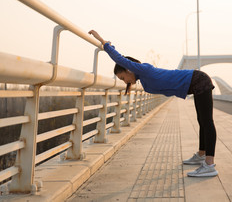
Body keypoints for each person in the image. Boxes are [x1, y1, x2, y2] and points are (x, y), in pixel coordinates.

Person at [88, 30, 218, 177]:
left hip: (198, 80)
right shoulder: (143, 79)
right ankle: (202, 155)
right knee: (202, 121)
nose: (125, 82)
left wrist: (105, 43)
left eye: (123, 77)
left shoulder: (143, 69)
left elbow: (121, 59)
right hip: (194, 83)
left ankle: (209, 164)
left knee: (207, 121)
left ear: (128, 69)